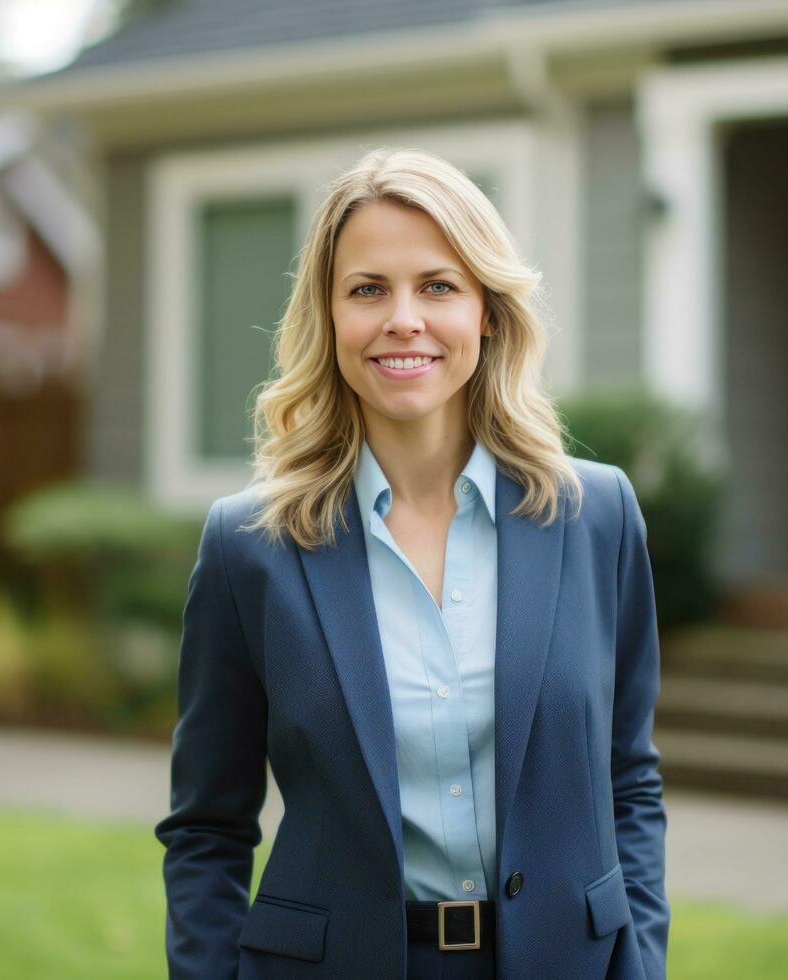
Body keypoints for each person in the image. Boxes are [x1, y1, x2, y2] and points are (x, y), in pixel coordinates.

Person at [156, 146, 668, 980]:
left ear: (488, 312)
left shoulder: (595, 516)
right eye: (368, 290)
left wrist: (640, 965)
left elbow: (630, 785)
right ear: (329, 315)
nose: (404, 320)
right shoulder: (248, 547)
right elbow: (207, 828)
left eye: (438, 286)